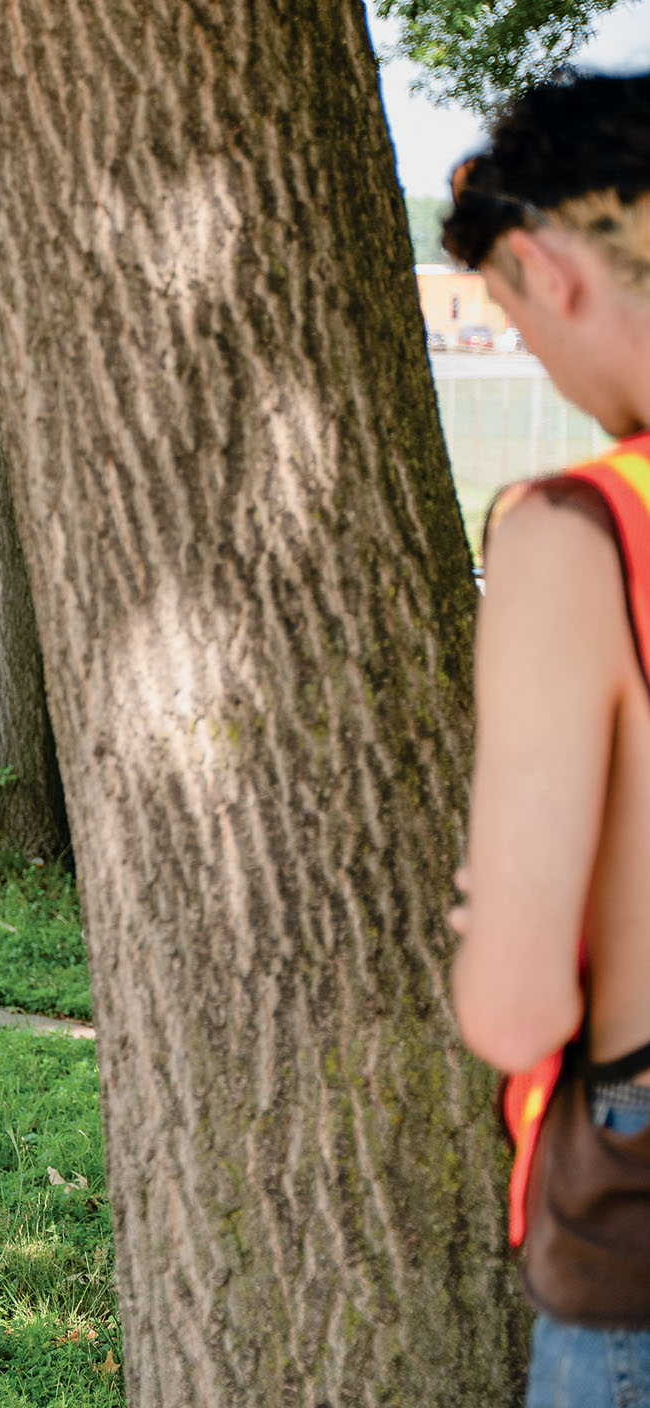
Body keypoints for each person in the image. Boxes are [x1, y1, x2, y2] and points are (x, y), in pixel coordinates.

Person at [442, 71, 650, 1408]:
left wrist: (489, 918)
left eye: (516, 328)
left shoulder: (581, 528)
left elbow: (514, 1007)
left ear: (544, 267)